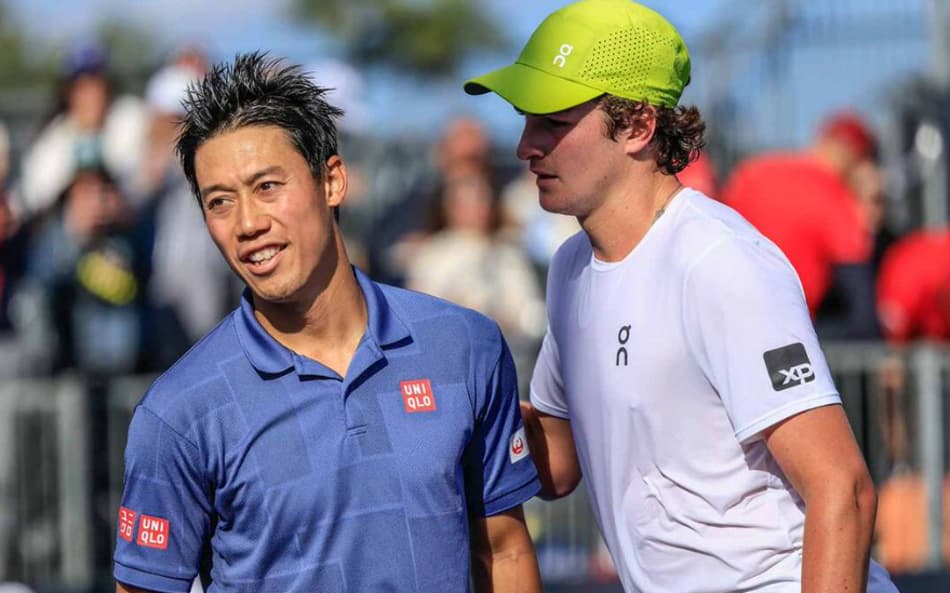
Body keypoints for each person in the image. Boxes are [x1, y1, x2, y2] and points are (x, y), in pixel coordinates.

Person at [464, 1, 898, 592]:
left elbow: (843, 488)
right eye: (525, 120)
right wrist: (454, 423)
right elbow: (558, 461)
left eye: (553, 124)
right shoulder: (570, 266)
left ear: (639, 126)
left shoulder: (719, 262)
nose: (525, 146)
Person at [113, 53, 542, 593]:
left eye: (268, 186)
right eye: (220, 202)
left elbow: (503, 551)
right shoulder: (178, 411)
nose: (247, 223)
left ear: (332, 181)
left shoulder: (463, 346)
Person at [722, 111, 880, 339]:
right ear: (853, 155)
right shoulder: (833, 193)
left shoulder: (754, 170)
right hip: (792, 328)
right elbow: (860, 299)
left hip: (731, 318)